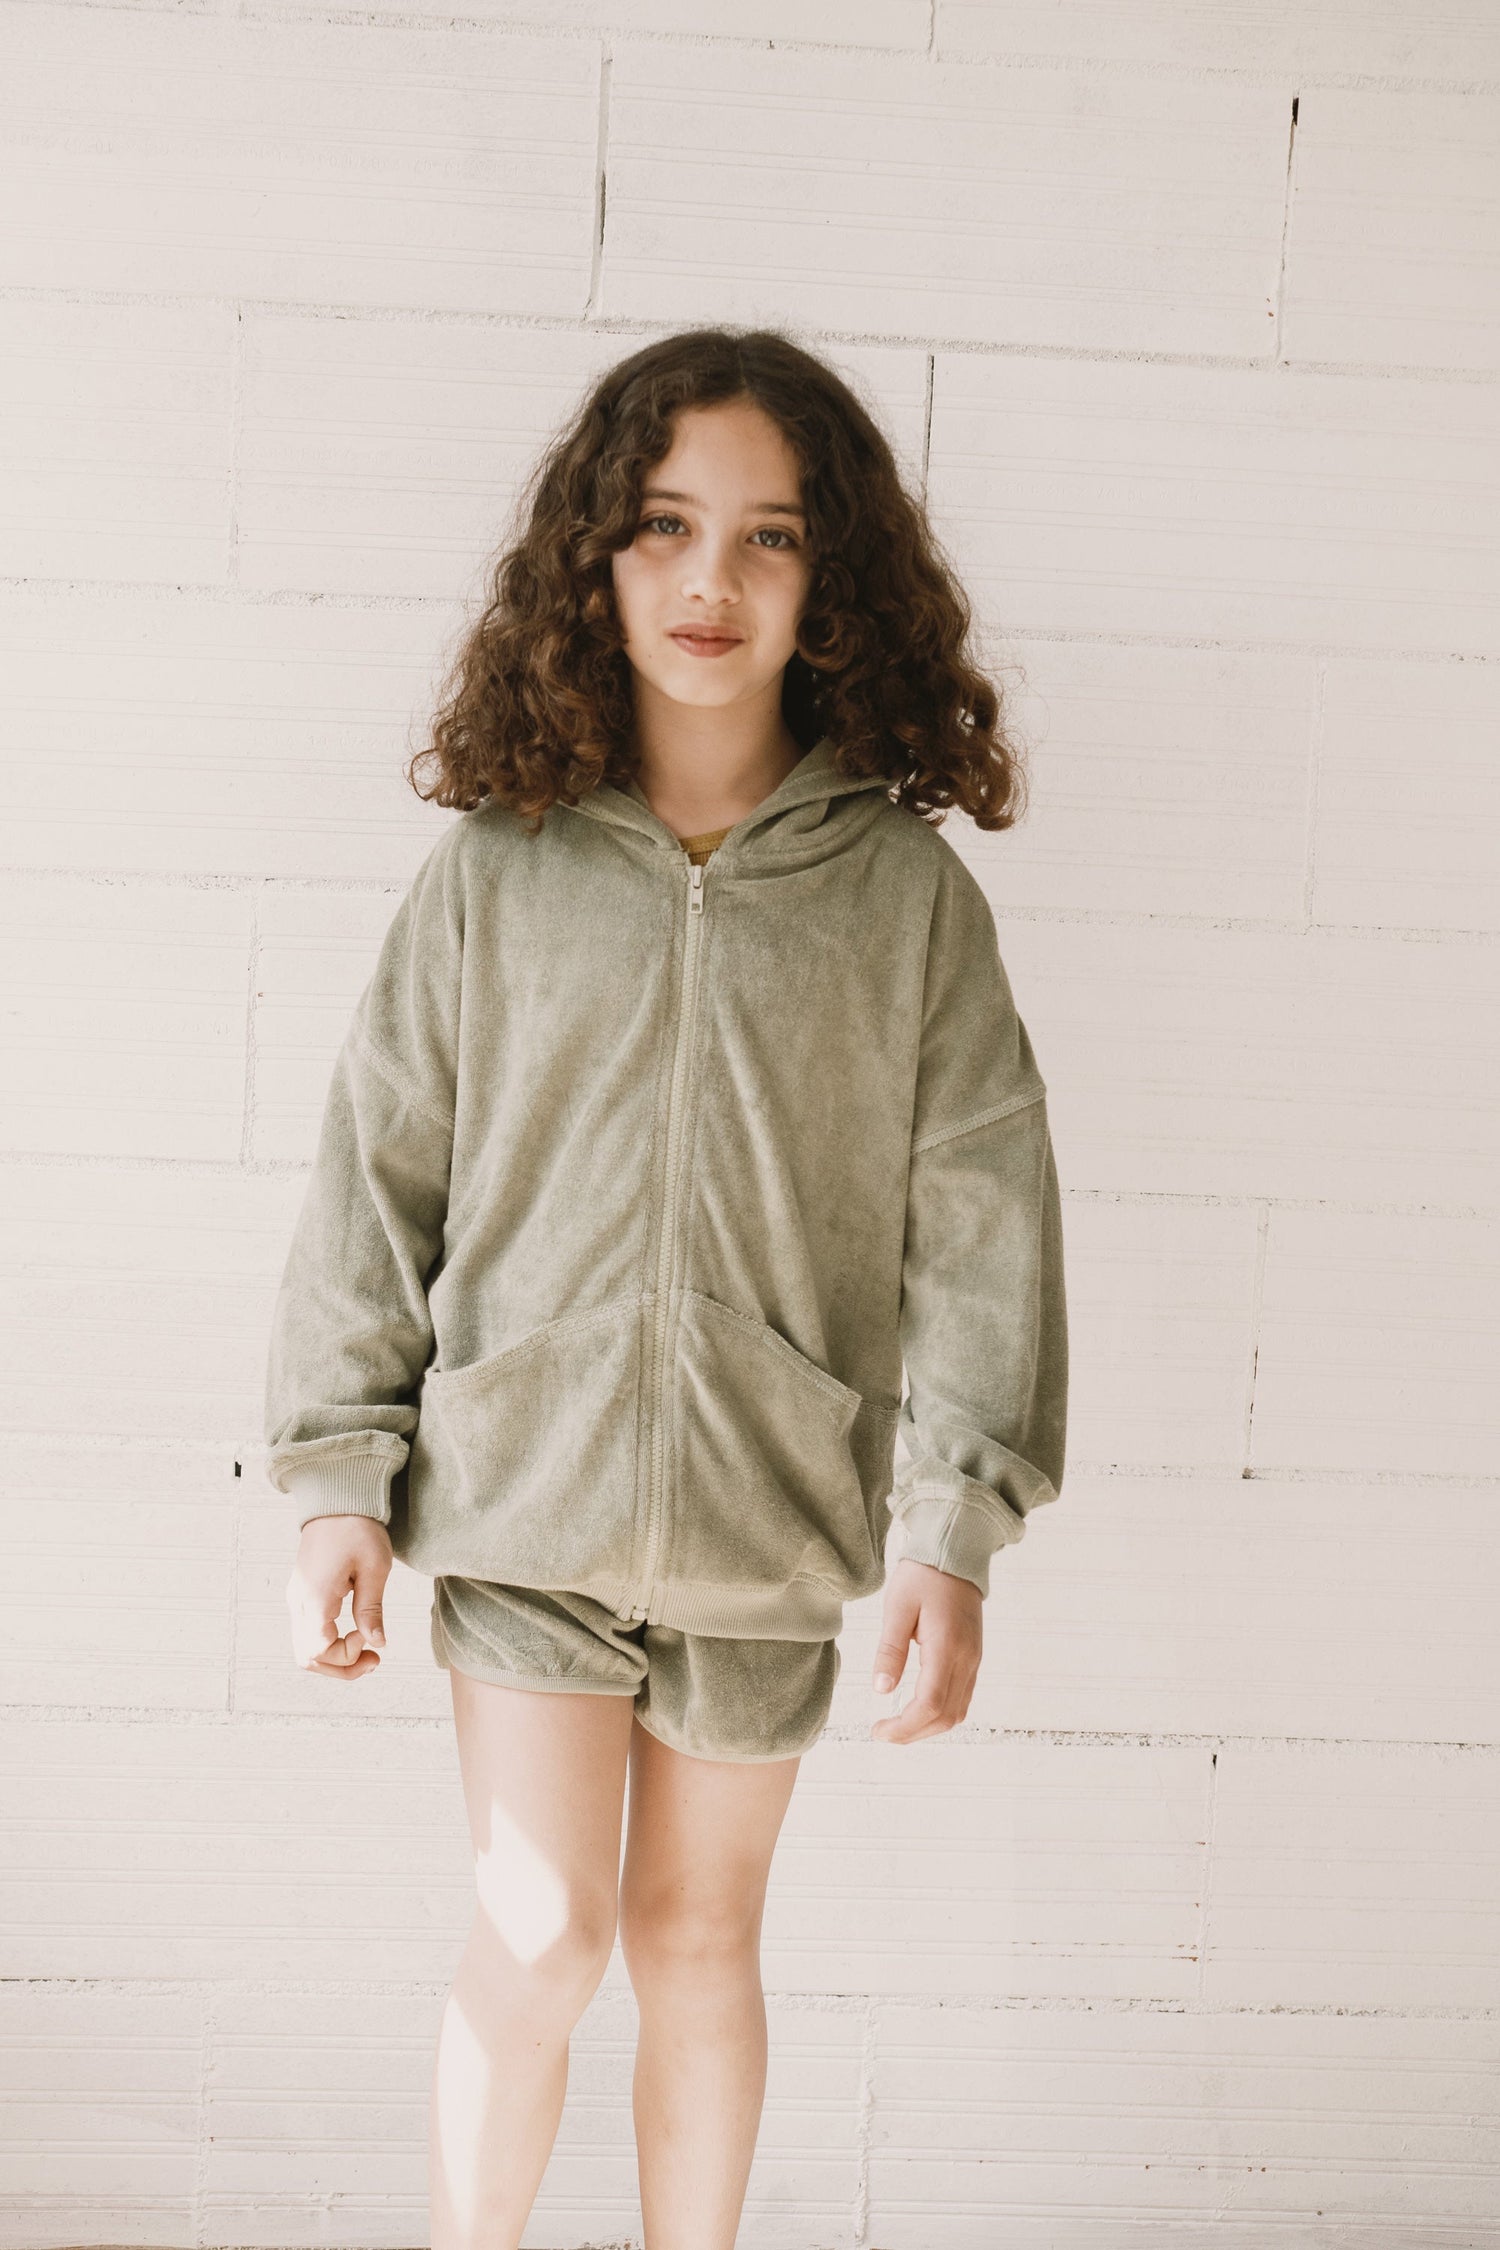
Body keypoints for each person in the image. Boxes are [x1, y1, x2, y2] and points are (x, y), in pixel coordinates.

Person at [264, 326, 1068, 2249]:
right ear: (595, 560)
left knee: (699, 1942)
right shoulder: (498, 873)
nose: (712, 578)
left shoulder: (906, 905)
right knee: (543, 1929)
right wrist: (335, 1478)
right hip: (522, 1499)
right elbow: (378, 1177)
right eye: (663, 526)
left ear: (832, 577)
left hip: (766, 1519)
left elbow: (985, 1221)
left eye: (768, 535)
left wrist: (952, 1530)